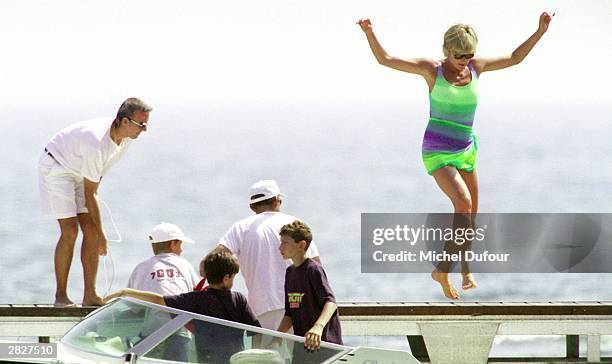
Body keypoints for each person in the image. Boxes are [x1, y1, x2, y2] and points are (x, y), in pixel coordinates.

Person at [357, 13, 554, 299]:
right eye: (459, 54)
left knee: (471, 212)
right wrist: (369, 33)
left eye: (469, 54)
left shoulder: (476, 67)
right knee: (462, 202)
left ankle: (464, 269)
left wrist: (540, 31)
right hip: (438, 149)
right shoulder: (431, 70)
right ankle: (441, 270)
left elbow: (514, 57)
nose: (464, 59)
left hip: (465, 147)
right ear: (446, 51)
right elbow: (385, 59)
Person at [39, 97, 152, 306]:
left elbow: (94, 186)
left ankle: (89, 295)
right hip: (57, 166)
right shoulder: (96, 141)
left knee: (90, 231)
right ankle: (60, 297)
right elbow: (90, 193)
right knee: (70, 230)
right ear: (125, 121)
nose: (145, 130)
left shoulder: (124, 141)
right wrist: (103, 234)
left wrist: (97, 232)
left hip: (80, 170)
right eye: (141, 124)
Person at [104, 250, 261, 363]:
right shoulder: (239, 299)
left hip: (207, 360)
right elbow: (256, 331)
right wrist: (254, 356)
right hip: (234, 359)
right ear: (226, 278)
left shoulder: (196, 299)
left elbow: (159, 300)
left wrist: (126, 292)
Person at [213, 180, 321, 333]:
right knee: (300, 356)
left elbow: (214, 259)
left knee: (263, 356)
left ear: (252, 206)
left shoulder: (240, 228)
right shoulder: (294, 224)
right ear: (277, 201)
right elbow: (316, 266)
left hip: (261, 308)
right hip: (299, 305)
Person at [127, 222, 199, 361]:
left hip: (151, 334)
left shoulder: (142, 268)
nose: (181, 250)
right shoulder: (185, 265)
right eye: (180, 245)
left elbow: (134, 308)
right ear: (172, 244)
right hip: (179, 331)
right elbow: (198, 297)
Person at [275, 220, 342, 364]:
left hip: (324, 346)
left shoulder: (313, 269)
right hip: (302, 347)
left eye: (285, 242)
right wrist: (277, 336)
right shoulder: (290, 272)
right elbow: (289, 314)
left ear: (301, 245)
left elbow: (330, 302)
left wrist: (317, 327)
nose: (280, 247)